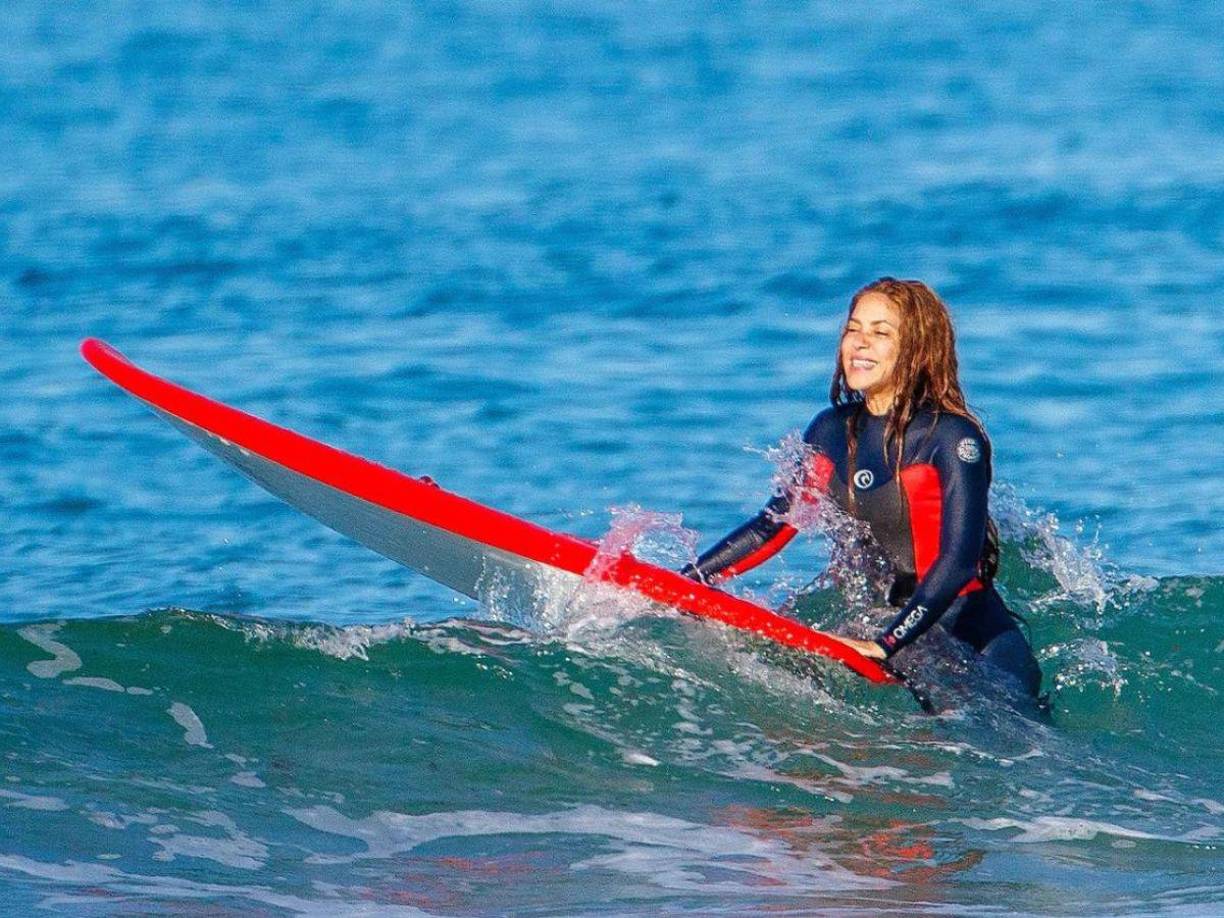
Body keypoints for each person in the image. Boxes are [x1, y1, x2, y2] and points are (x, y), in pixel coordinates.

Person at [682, 278, 1042, 697]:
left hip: (974, 646)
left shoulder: (949, 438)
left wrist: (886, 643)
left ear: (916, 350)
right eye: (853, 329)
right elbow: (773, 526)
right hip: (891, 631)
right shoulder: (830, 431)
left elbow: (959, 562)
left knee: (988, 754)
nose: (860, 343)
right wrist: (688, 582)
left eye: (880, 332)